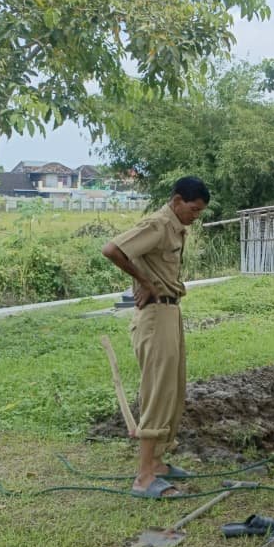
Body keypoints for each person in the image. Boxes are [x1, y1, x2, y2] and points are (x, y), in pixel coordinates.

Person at [102, 176, 210, 498]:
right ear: (176, 201)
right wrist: (145, 282)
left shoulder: (175, 228)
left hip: (170, 311)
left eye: (200, 211)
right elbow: (112, 249)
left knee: (172, 389)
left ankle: (158, 463)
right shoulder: (158, 224)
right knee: (157, 392)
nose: (195, 216)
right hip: (154, 316)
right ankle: (144, 477)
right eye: (193, 209)